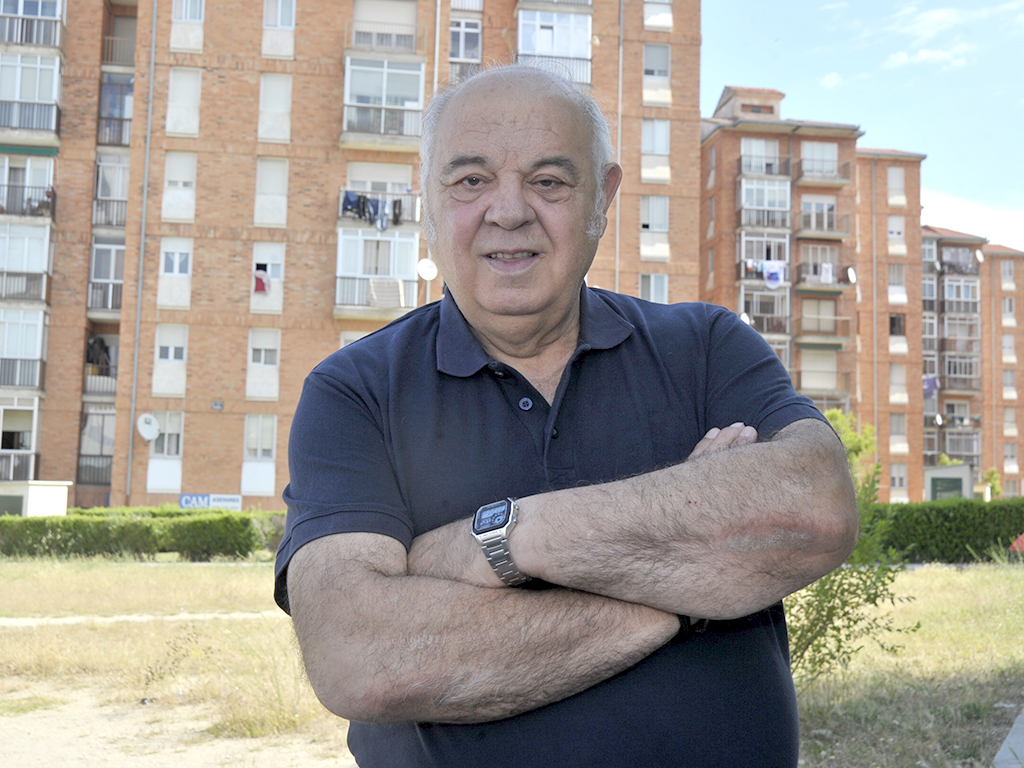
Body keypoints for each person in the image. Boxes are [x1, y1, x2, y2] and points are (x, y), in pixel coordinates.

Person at [274, 65, 858, 768]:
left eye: (550, 181)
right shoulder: (354, 390)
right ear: (426, 199)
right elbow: (357, 654)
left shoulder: (704, 346)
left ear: (603, 198)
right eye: (470, 180)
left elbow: (816, 507)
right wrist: (686, 591)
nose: (509, 211)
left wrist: (501, 540)